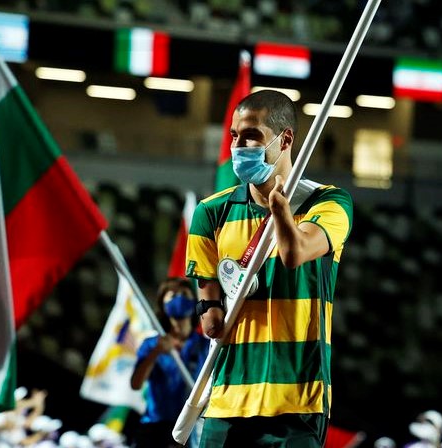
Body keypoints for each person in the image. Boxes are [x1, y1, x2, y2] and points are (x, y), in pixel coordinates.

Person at [185, 90, 353, 446]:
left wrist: (280, 209)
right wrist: (211, 309)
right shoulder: (210, 213)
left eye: (251, 136)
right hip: (227, 399)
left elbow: (295, 252)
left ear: (285, 140)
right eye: (234, 136)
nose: (238, 146)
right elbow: (209, 310)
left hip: (298, 400)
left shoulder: (329, 202)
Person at [129, 278, 209, 447]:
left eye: (184, 294)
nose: (179, 299)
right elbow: (136, 384)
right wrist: (156, 352)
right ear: (163, 305)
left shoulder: (206, 345)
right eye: (172, 295)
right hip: (155, 429)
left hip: (191, 428)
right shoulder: (151, 344)